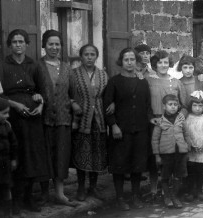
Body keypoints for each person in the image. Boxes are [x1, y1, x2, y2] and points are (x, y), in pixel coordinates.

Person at [0, 29, 49, 214]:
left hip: (33, 117)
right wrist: (15, 105)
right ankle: (16, 200)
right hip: (13, 116)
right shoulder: (2, 65)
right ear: (10, 45)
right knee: (18, 156)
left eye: (21, 41)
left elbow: (42, 92)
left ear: (27, 44)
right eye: (15, 42)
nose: (18, 45)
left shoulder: (34, 65)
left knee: (32, 157)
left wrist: (40, 106)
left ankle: (29, 198)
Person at [103, 47, 152, 211]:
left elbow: (146, 105)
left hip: (140, 130)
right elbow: (107, 105)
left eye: (132, 59)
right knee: (120, 165)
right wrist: (114, 125)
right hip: (120, 131)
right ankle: (120, 198)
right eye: (126, 60)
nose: (130, 63)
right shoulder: (114, 81)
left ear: (136, 62)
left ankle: (136, 196)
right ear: (121, 62)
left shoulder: (142, 81)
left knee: (137, 165)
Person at [38, 30, 79, 206]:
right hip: (42, 120)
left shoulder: (67, 68)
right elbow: (32, 89)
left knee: (61, 156)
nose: (54, 47)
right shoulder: (36, 66)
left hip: (63, 119)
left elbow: (73, 94)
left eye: (57, 44)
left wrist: (74, 111)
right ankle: (44, 193)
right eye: (50, 44)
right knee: (44, 155)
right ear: (44, 45)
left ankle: (60, 194)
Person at [146, 50, 187, 202]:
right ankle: (154, 190)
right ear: (155, 64)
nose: (163, 65)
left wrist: (181, 116)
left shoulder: (176, 82)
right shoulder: (148, 80)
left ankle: (169, 193)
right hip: (156, 123)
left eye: (165, 62)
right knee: (155, 159)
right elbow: (145, 103)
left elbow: (184, 104)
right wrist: (150, 118)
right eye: (159, 62)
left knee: (172, 159)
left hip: (172, 124)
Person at [71, 44, 108, 202]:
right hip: (82, 120)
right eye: (86, 54)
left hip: (99, 120)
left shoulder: (103, 75)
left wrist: (111, 104)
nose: (89, 57)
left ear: (96, 56)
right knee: (82, 153)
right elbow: (66, 93)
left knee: (96, 155)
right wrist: (72, 102)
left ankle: (93, 187)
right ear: (81, 56)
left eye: (93, 54)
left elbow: (108, 95)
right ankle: (81, 187)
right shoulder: (73, 74)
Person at [152, 94, 188, 209]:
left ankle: (174, 196)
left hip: (180, 153)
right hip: (166, 155)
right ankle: (167, 197)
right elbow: (155, 139)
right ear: (164, 106)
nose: (173, 107)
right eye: (170, 104)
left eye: (175, 104)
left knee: (179, 175)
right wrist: (157, 155)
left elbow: (186, 134)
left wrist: (187, 148)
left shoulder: (181, 119)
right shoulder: (160, 122)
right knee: (165, 176)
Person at [183, 91, 203, 202]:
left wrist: (202, 144)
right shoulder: (187, 118)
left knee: (199, 172)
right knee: (190, 171)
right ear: (190, 106)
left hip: (201, 148)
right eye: (195, 105)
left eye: (200, 106)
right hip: (190, 149)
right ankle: (191, 191)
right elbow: (185, 132)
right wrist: (190, 144)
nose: (197, 108)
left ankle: (199, 191)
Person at [178, 55, 203, 119]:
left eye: (191, 67)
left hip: (200, 119)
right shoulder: (178, 83)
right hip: (184, 119)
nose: (188, 71)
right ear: (181, 68)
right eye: (185, 67)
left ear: (194, 68)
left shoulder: (201, 81)